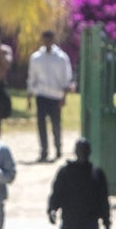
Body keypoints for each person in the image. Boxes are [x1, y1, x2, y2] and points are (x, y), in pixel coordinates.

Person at [26, 30, 73, 162]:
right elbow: (32, 77)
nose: (47, 42)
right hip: (41, 95)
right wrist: (29, 96)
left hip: (55, 95)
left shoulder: (61, 58)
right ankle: (44, 150)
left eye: (49, 40)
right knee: (41, 123)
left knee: (56, 123)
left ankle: (58, 147)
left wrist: (64, 97)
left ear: (53, 40)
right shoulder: (36, 58)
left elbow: (66, 78)